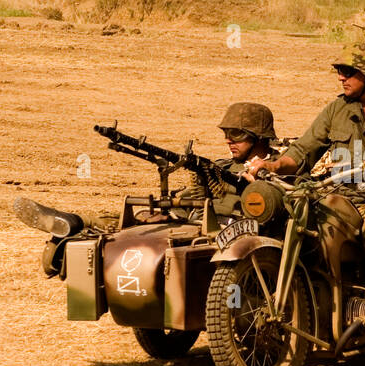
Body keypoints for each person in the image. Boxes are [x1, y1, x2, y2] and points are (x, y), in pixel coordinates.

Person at [249, 43, 365, 334]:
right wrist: (272, 166)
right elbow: (302, 150)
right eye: (339, 72)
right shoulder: (337, 109)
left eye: (347, 72)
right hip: (337, 197)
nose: (340, 78)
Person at [14, 103, 280, 272]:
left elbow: (279, 203)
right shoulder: (223, 165)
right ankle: (75, 223)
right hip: (197, 220)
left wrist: (258, 178)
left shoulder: (278, 167)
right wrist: (172, 209)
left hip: (235, 232)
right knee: (136, 224)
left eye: (236, 134)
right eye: (225, 133)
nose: (228, 141)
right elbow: (192, 197)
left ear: (258, 137)